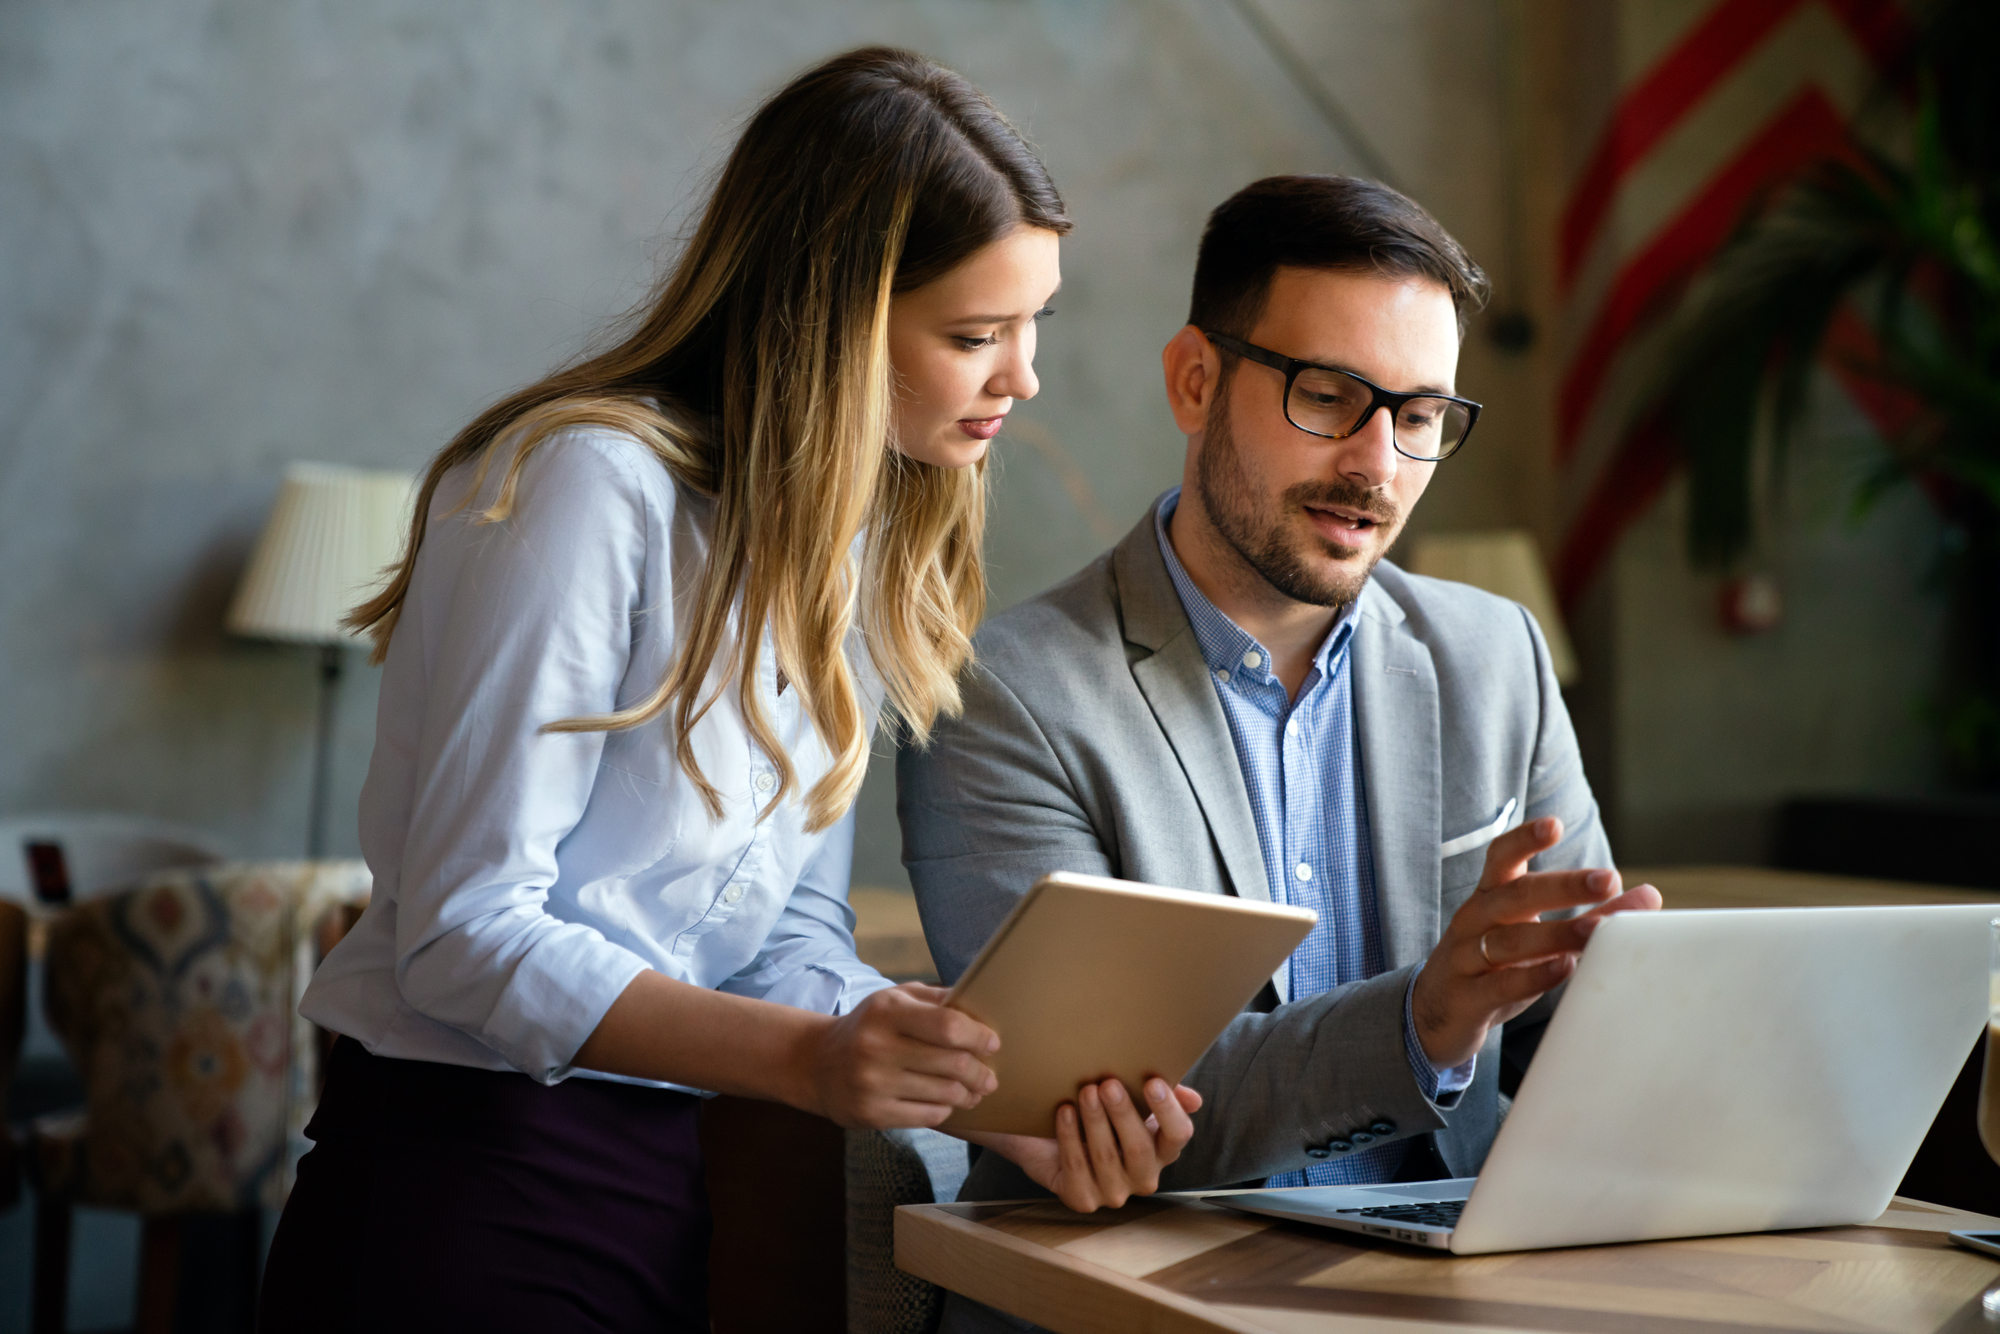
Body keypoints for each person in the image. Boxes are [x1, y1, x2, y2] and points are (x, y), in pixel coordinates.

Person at [259, 48, 1192, 1334]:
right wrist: (814, 1058)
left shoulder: (844, 540)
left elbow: (779, 938)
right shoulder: (582, 485)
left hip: (670, 1182)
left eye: (1036, 323)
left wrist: (978, 1083)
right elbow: (463, 932)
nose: (1022, 376)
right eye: (975, 335)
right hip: (460, 1178)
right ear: (830, 316)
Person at [898, 173, 1663, 1331]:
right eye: (1328, 396)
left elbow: (1582, 1023)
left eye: (1418, 417)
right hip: (1125, 1292)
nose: (1376, 464)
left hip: (1452, 1294)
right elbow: (1103, 1109)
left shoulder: (1494, 655)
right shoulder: (1003, 695)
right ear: (1192, 381)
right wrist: (1424, 1017)